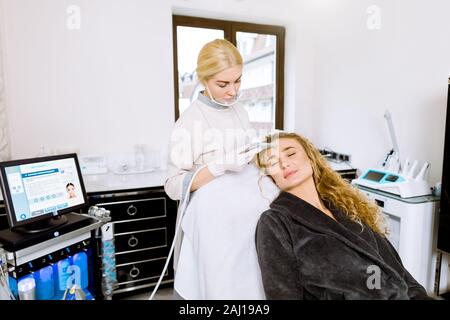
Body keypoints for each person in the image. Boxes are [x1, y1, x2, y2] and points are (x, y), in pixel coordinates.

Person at [254, 132, 431, 300]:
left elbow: (398, 272)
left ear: (310, 158)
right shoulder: (274, 222)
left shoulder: (349, 206)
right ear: (271, 177)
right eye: (273, 162)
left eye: (290, 154)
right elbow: (283, 294)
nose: (284, 164)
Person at [164, 39, 270, 299]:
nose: (233, 91)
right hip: (215, 222)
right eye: (223, 84)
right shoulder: (188, 123)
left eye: (238, 81)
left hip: (246, 212)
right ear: (204, 80)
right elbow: (173, 186)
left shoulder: (240, 112)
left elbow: (248, 155)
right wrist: (218, 166)